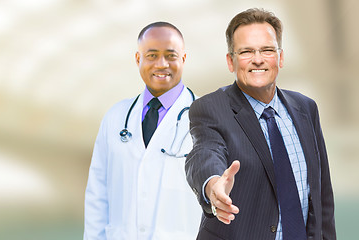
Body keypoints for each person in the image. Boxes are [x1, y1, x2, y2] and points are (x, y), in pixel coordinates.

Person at [185, 8, 335, 240]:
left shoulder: (306, 108)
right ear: (230, 61)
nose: (258, 59)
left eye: (267, 50)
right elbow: (205, 152)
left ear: (280, 57)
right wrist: (213, 186)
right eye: (246, 51)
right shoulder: (210, 108)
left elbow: (321, 193)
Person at [84, 22, 200, 240]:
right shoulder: (115, 117)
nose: (161, 64)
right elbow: (97, 195)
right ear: (138, 59)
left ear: (183, 59)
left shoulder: (208, 118)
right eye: (152, 55)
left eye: (171, 56)